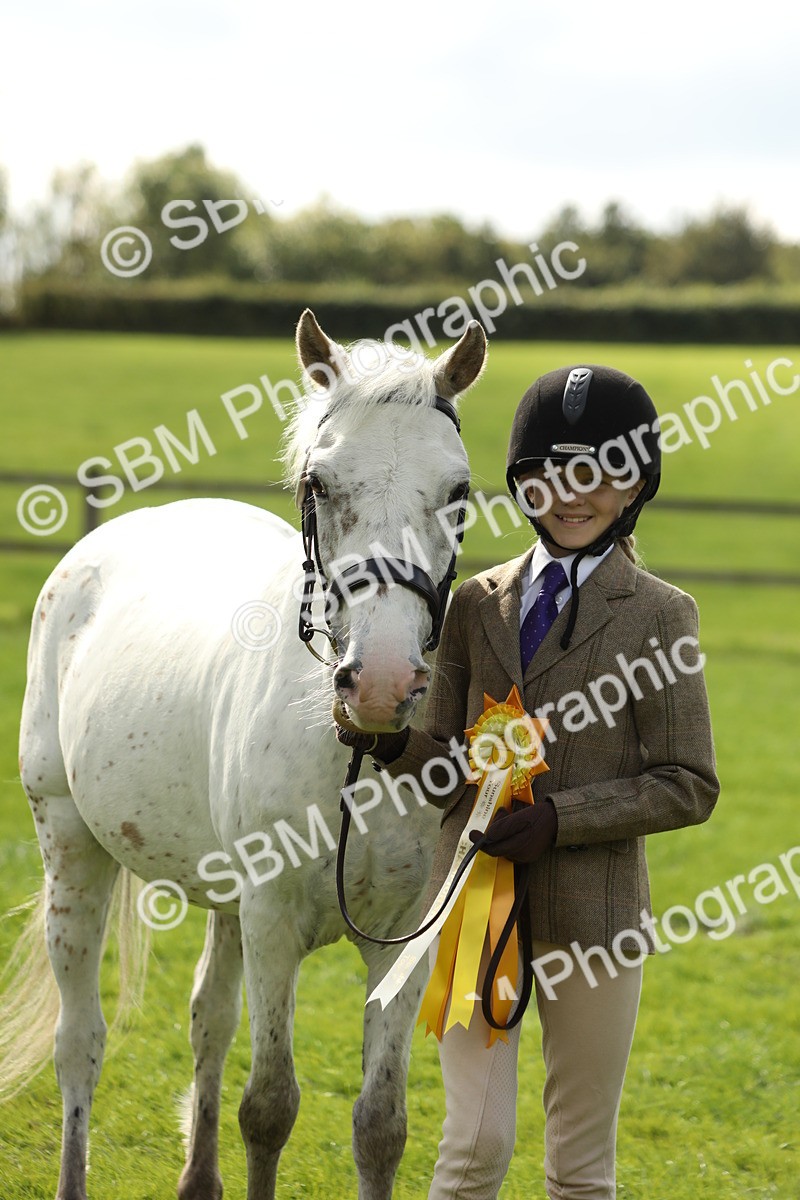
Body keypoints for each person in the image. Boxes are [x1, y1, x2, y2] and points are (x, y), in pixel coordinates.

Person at [336, 364, 720, 1199]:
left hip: (596, 920)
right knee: (473, 1149)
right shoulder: (475, 603)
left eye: (600, 473)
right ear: (521, 483)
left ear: (637, 485)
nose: (572, 494)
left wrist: (560, 819)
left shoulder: (661, 614)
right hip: (473, 904)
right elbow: (450, 770)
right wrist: (387, 741)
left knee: (578, 1167)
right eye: (550, 473)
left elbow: (689, 782)